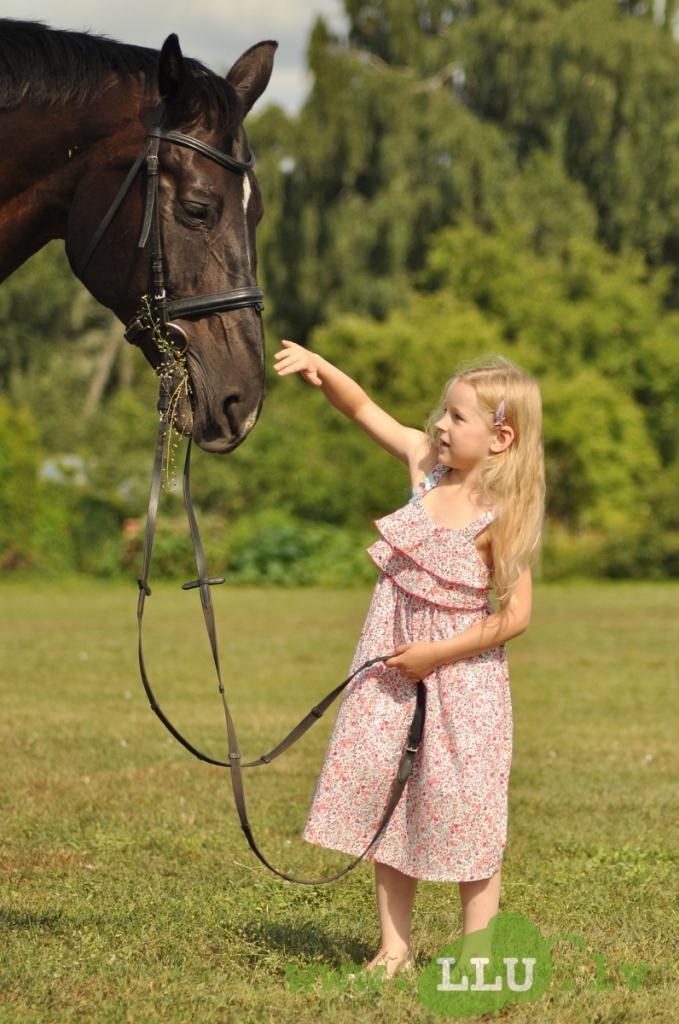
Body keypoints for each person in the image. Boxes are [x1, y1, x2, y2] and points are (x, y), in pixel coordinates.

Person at [273, 338, 545, 978]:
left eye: (456, 417)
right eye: (442, 413)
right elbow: (364, 408)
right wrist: (321, 366)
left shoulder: (500, 515)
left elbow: (516, 617)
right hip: (391, 669)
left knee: (464, 806)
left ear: (500, 438)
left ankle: (476, 953)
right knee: (390, 797)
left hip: (463, 685)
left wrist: (437, 655)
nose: (439, 426)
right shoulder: (425, 469)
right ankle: (393, 948)